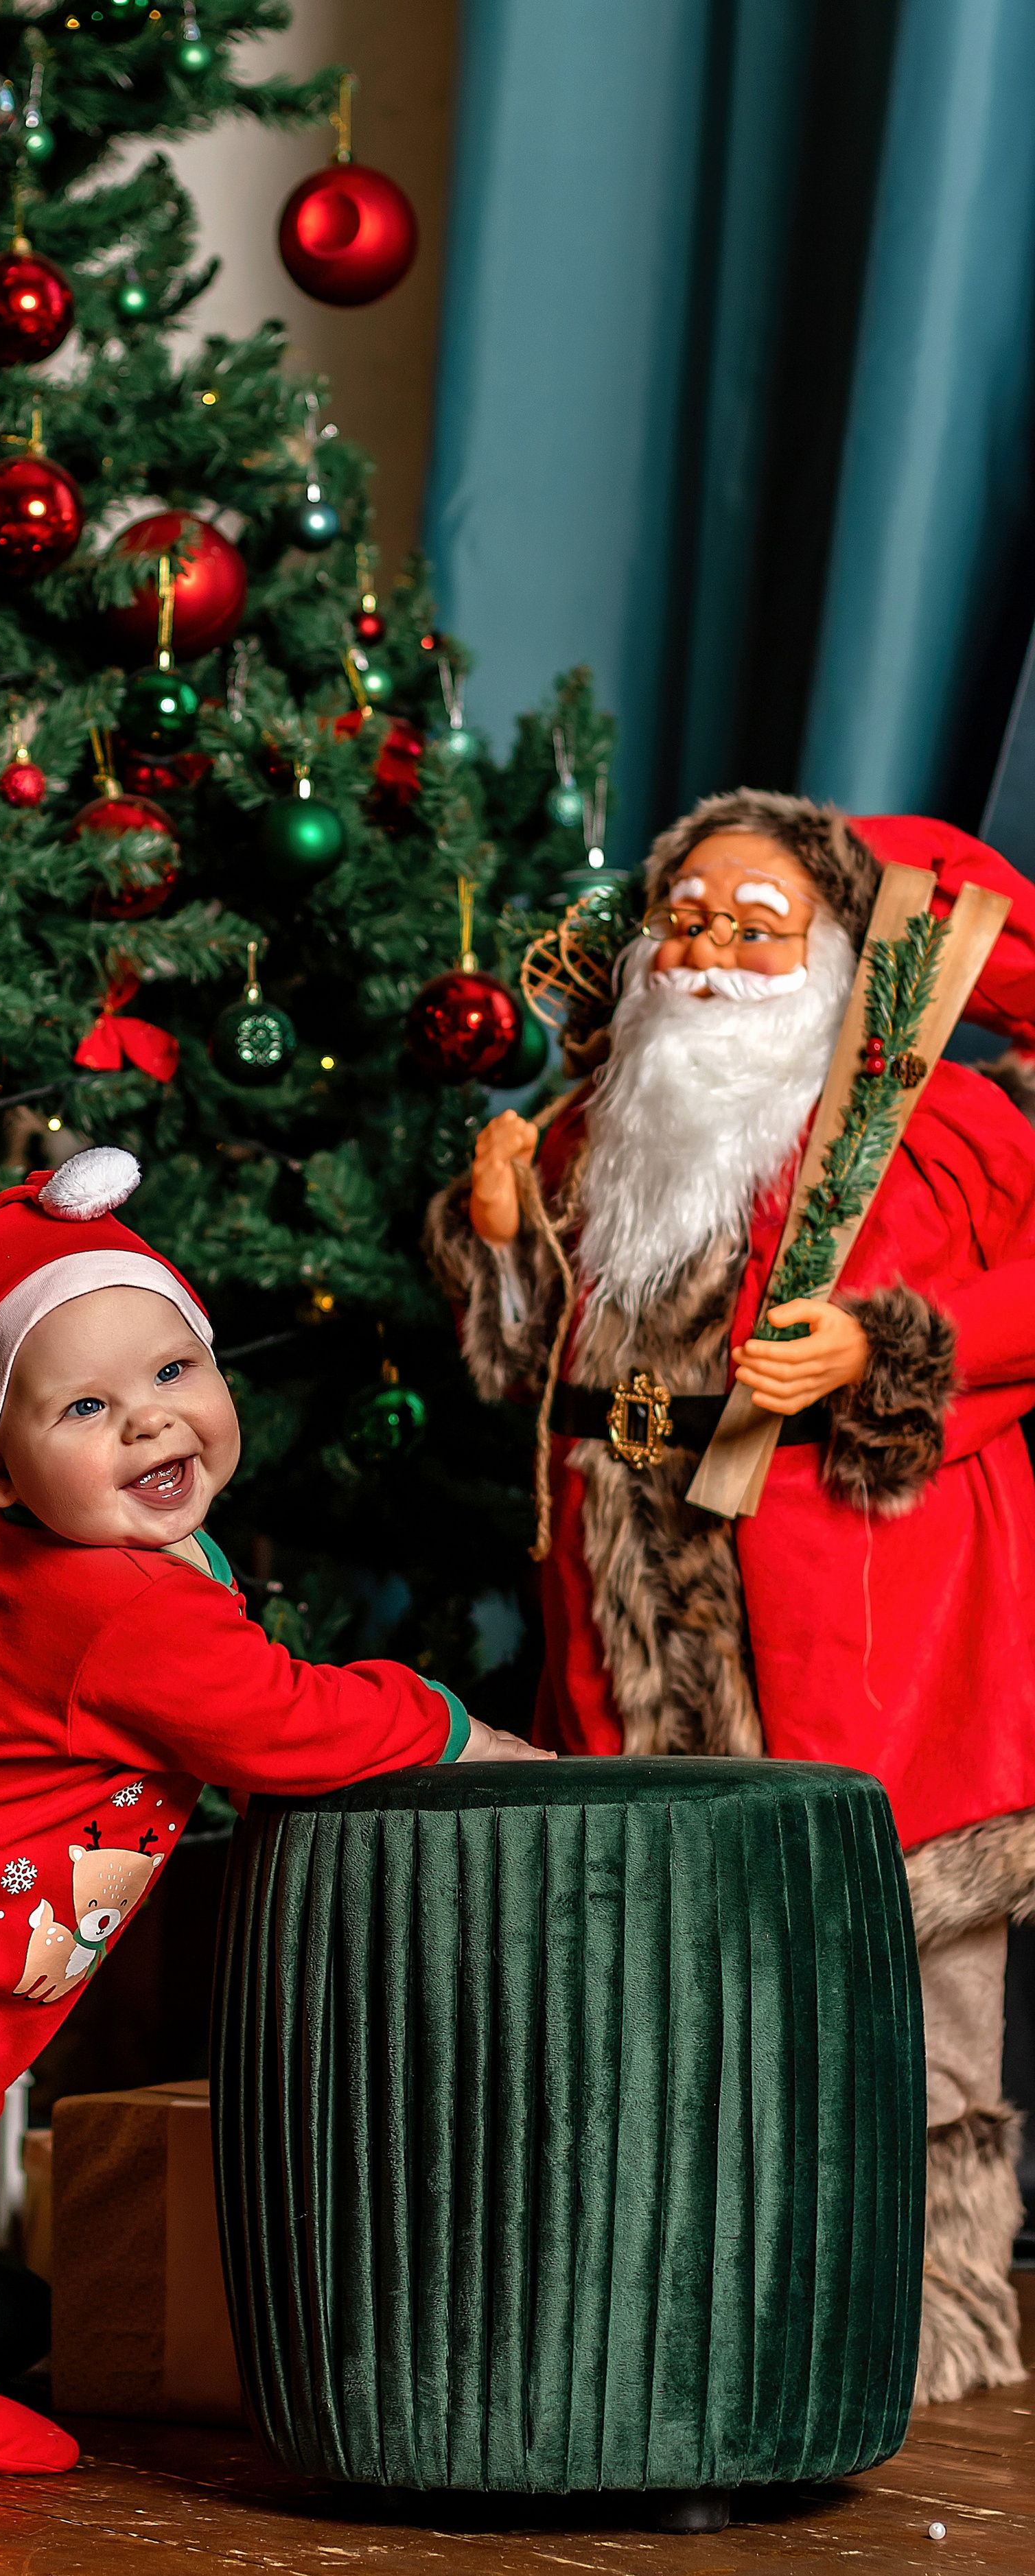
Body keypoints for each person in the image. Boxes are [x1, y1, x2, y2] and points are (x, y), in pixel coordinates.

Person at [0, 1144, 550, 2546]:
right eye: (86, 1407)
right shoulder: (104, 1603)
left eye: (172, 1376)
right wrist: (449, 1725)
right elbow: (277, 1722)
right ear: (2, 1477)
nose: (151, 1427)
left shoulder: (161, 1563)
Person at [426, 791, 1035, 2408]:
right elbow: (524, 1362)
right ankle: (694, 2299)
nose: (702, 951)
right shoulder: (589, 1125)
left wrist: (888, 1347)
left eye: (750, 925)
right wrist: (499, 1246)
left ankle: (925, 2307)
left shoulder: (947, 1128)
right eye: (682, 918)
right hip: (628, 1596)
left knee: (902, 1960)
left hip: (861, 1591)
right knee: (662, 1970)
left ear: (833, 953)